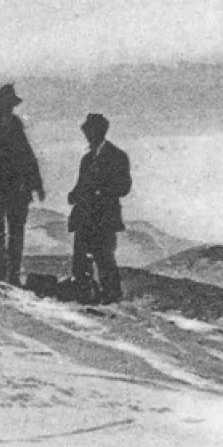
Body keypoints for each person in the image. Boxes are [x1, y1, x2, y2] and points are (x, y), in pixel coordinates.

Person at [0, 84, 44, 286]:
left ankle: (12, 275)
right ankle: (3, 274)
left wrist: (37, 185)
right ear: (0, 106)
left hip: (16, 189)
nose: (9, 108)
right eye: (6, 104)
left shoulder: (16, 125)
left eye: (10, 105)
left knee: (15, 234)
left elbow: (28, 156)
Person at [68, 114, 131, 304]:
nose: (87, 136)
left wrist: (100, 191)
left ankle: (112, 298)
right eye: (86, 132)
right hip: (84, 216)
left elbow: (124, 187)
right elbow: (81, 185)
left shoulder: (118, 156)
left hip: (104, 217)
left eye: (90, 131)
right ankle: (84, 296)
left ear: (100, 132)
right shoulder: (87, 159)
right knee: (80, 258)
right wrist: (74, 194)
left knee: (104, 258)